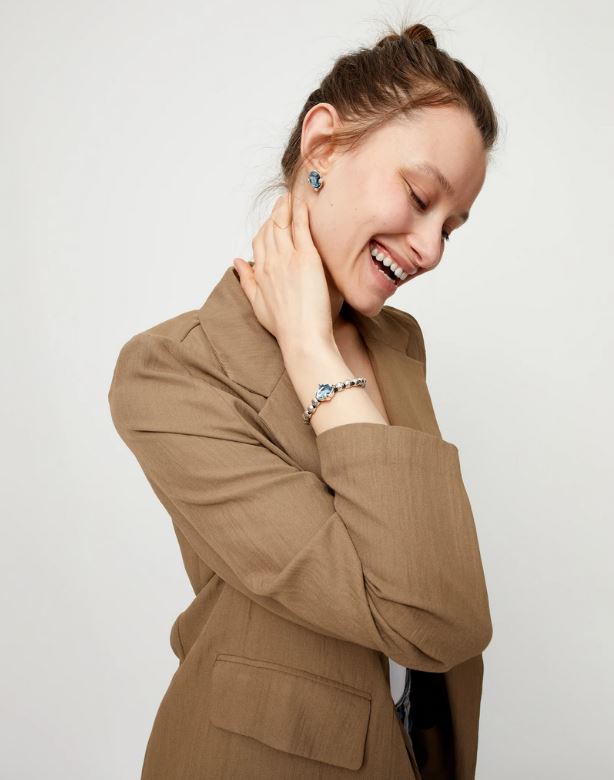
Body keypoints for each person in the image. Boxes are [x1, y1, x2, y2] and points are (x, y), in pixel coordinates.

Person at [108, 20, 498, 780]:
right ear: (322, 146)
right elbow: (431, 616)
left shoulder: (399, 345)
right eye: (419, 197)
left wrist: (318, 343)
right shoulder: (171, 373)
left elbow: (438, 598)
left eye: (451, 228)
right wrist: (312, 351)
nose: (430, 249)